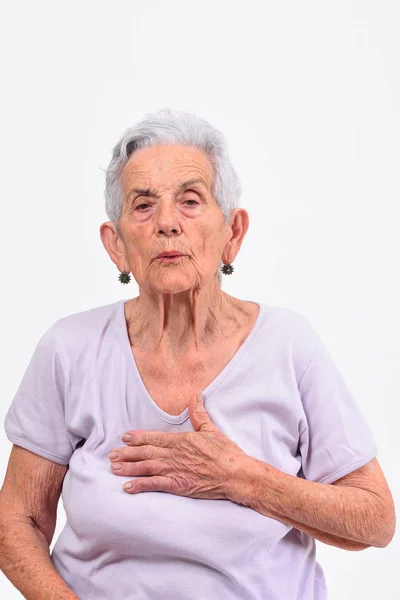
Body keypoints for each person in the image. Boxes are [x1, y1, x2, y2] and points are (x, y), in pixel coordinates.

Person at [0, 108, 395, 600]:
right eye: (142, 206)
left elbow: (375, 520)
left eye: (190, 201)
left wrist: (241, 478)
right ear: (116, 245)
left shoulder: (290, 345)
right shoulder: (69, 349)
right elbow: (18, 520)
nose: (167, 223)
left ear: (232, 233)